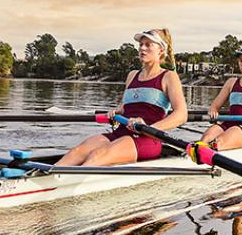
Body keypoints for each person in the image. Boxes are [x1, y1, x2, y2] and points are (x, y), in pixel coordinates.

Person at [56, 29, 188, 166]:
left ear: (160, 50)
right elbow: (126, 107)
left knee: (96, 156)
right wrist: (118, 112)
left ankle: (71, 181)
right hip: (120, 133)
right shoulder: (132, 75)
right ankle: (46, 179)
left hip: (146, 139)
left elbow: (181, 115)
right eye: (141, 44)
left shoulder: (169, 77)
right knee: (77, 151)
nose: (142, 48)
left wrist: (150, 128)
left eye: (148, 45)